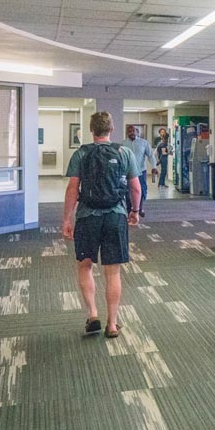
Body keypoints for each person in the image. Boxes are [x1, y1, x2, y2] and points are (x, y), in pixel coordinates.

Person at [62, 112, 141, 338]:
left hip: (87, 216)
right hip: (116, 215)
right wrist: (135, 211)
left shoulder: (81, 153)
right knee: (113, 271)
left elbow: (72, 189)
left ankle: (93, 314)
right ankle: (112, 324)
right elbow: (136, 188)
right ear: (111, 129)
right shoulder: (124, 152)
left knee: (85, 265)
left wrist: (67, 219)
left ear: (91, 129)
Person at [122, 125, 157, 216]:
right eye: (129, 131)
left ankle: (139, 208)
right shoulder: (123, 144)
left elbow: (151, 155)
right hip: (128, 171)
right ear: (127, 133)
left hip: (141, 171)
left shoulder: (144, 143)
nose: (132, 133)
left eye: (133, 131)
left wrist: (154, 166)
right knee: (128, 191)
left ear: (137, 132)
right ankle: (129, 210)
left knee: (142, 190)